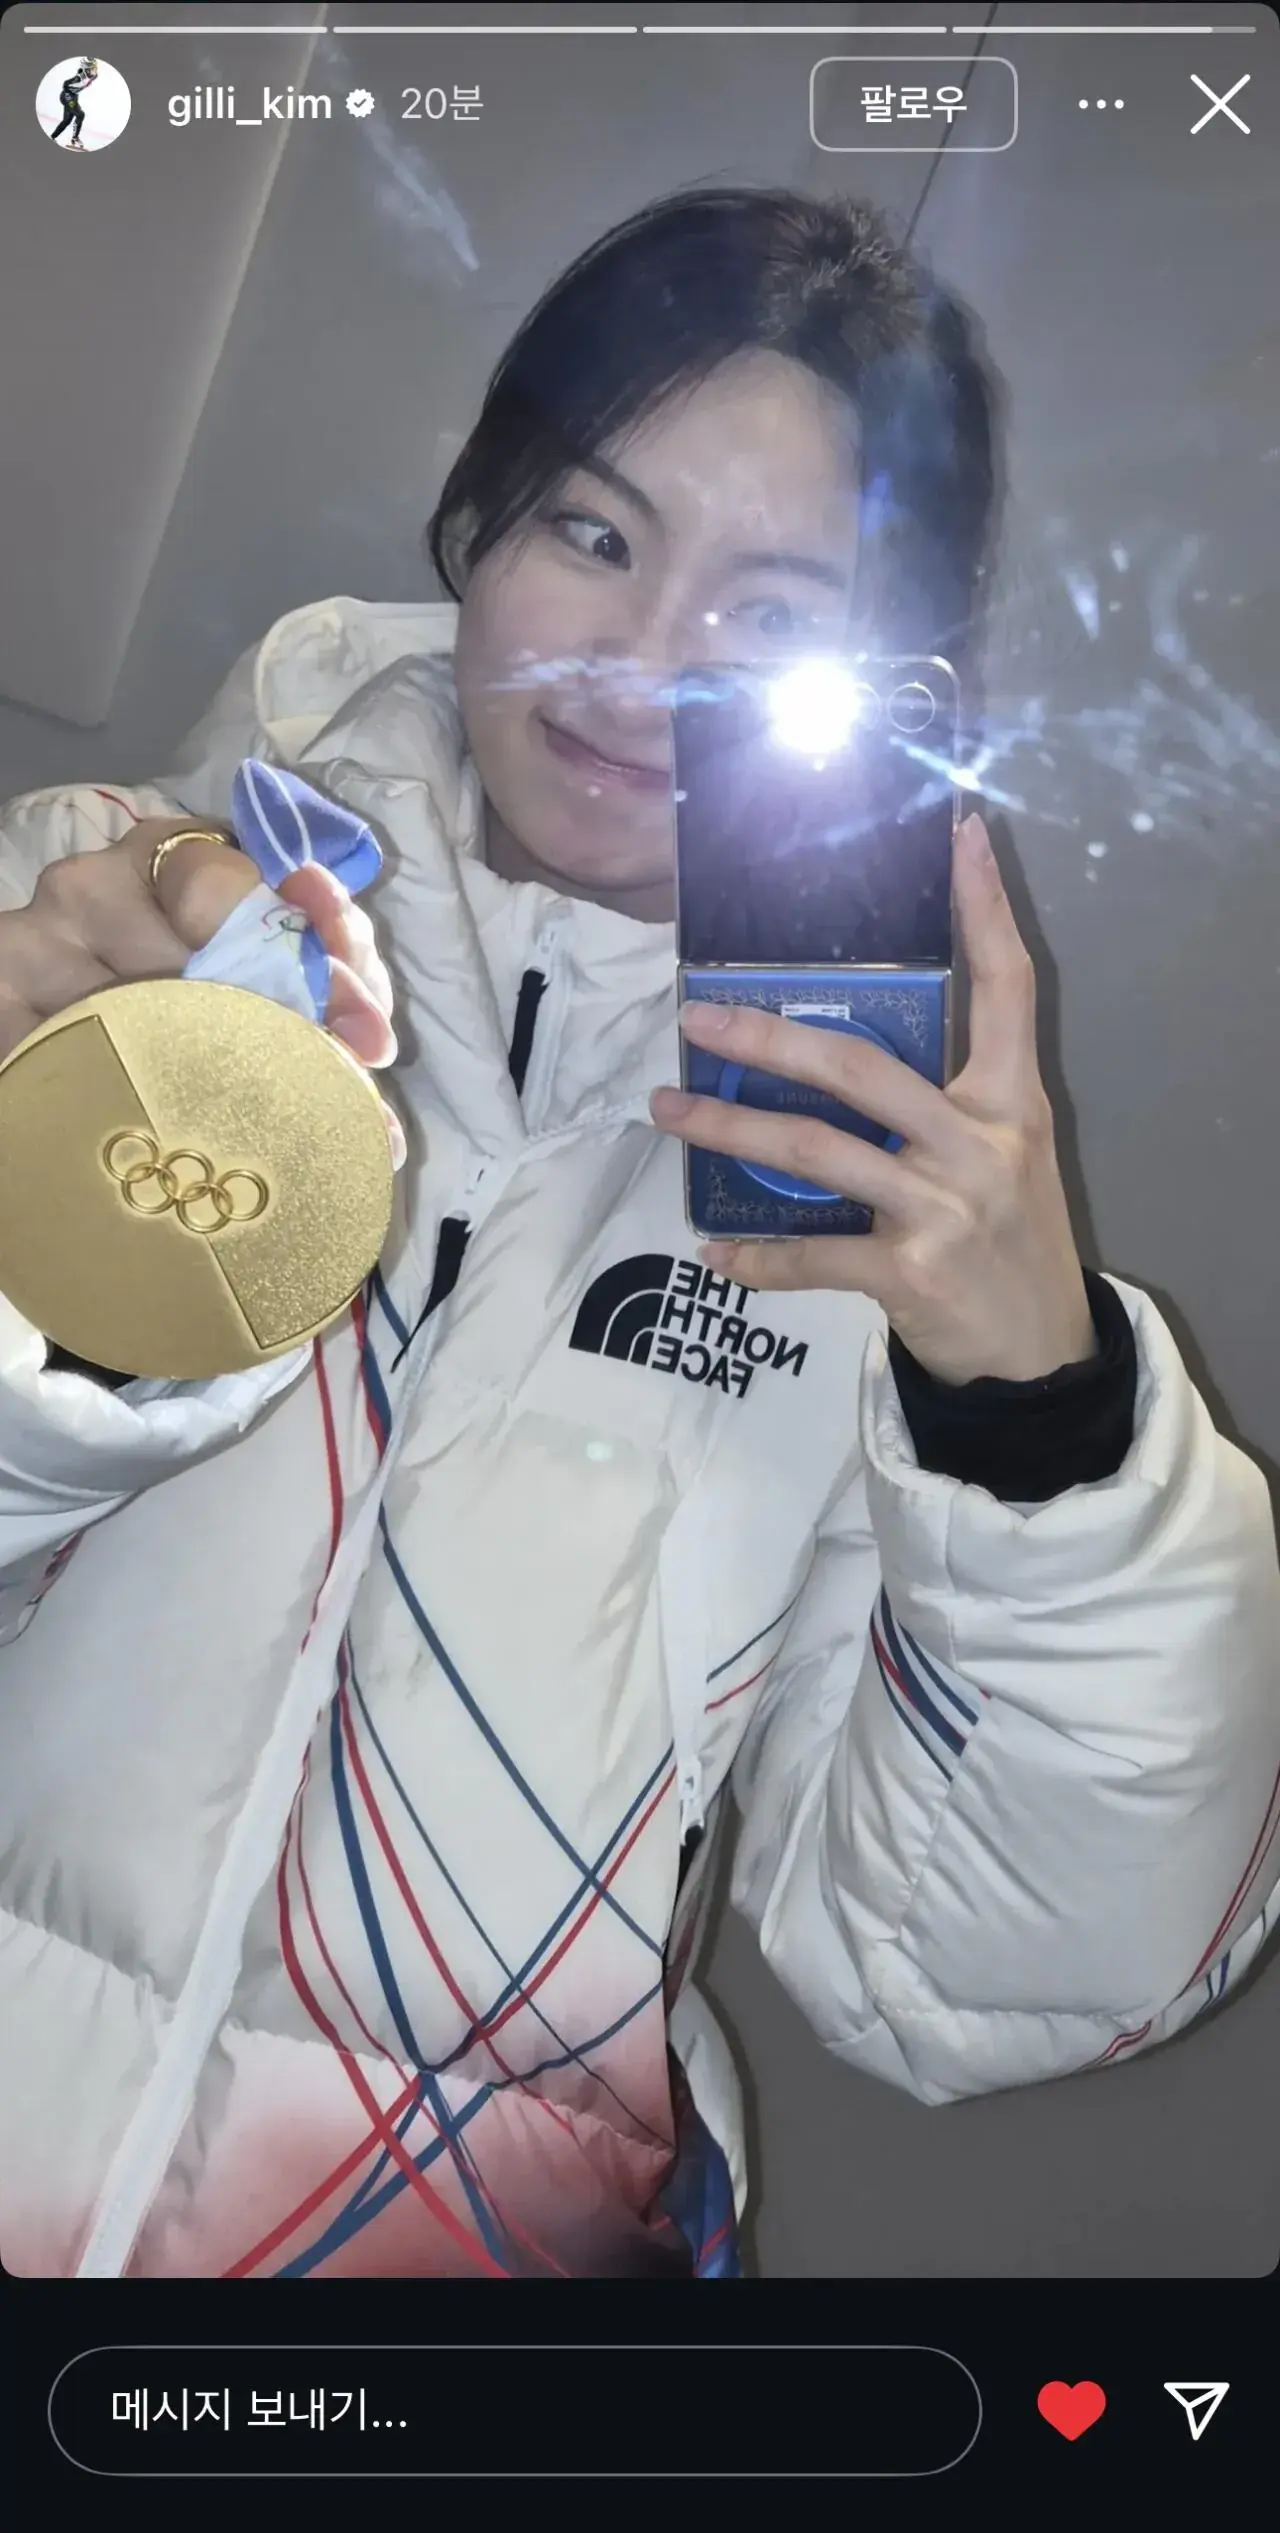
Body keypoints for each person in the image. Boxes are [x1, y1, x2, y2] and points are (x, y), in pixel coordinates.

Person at [1, 185, 1277, 2282]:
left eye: (769, 618)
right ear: (480, 516)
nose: (638, 661)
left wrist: (1035, 1416)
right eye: (593, 533)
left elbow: (990, 1970)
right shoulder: (99, 918)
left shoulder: (879, 1210)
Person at [50, 58, 97, 150]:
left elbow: (89, 77)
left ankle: (53, 136)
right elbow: (65, 84)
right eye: (93, 69)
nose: (95, 71)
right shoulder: (78, 78)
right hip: (67, 96)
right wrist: (69, 98)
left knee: (67, 120)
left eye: (96, 68)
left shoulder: (94, 75)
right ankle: (75, 138)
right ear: (86, 69)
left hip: (74, 96)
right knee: (80, 114)